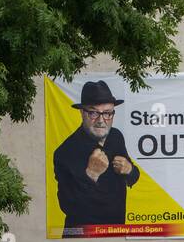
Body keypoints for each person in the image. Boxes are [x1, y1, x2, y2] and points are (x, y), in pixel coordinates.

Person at [53, 79, 141, 231]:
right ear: (82, 112)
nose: (101, 120)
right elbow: (67, 206)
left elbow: (133, 178)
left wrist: (129, 169)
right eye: (93, 113)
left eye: (107, 113)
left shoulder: (116, 136)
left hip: (116, 233)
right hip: (81, 240)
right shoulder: (65, 152)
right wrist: (91, 175)